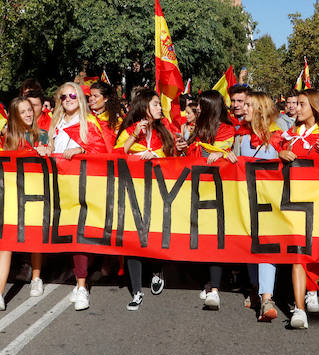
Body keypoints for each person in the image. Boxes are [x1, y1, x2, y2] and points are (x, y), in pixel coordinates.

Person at [0, 97, 49, 311]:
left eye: (29, 110)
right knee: (5, 242)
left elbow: (49, 155)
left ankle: (36, 278)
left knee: (34, 237)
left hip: (35, 193)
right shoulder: (5, 137)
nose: (28, 114)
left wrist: (45, 151)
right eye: (22, 112)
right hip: (11, 194)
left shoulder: (42, 135)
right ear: (15, 115)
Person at [278, 88, 319, 329]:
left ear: (314, 107)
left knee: (314, 252)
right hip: (294, 204)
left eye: (302, 104)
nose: (296, 108)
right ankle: (299, 309)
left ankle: (311, 289)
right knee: (297, 255)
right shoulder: (290, 135)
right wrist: (281, 153)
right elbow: (275, 165)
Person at [50, 81, 113, 312]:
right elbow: (51, 148)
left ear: (81, 99)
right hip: (61, 187)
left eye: (73, 96)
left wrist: (81, 150)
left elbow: (105, 151)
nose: (68, 100)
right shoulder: (55, 123)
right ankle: (80, 280)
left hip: (85, 186)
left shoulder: (90, 123)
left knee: (80, 235)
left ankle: (82, 286)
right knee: (70, 235)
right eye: (64, 96)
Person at [114, 89, 176, 310]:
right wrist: (134, 138)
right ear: (144, 108)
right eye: (156, 104)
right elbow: (116, 155)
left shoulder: (165, 129)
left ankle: (157, 271)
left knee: (154, 236)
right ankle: (137, 290)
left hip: (159, 193)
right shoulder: (129, 130)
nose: (160, 108)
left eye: (160, 104)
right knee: (133, 240)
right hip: (133, 193)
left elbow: (173, 155)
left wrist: (157, 155)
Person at [181, 89, 236, 309]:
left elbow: (227, 155)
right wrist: (183, 150)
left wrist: (222, 155)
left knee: (215, 239)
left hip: (218, 193)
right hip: (196, 191)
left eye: (201, 106)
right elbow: (193, 157)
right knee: (200, 239)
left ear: (210, 107)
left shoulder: (227, 130)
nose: (197, 109)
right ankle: (207, 281)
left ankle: (214, 288)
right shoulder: (197, 130)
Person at [233, 91, 285, 322]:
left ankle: (267, 298)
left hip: (271, 202)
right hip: (246, 201)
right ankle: (255, 288)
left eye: (248, 105)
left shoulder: (278, 137)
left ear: (260, 109)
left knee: (266, 248)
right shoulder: (240, 137)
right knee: (250, 247)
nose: (242, 108)